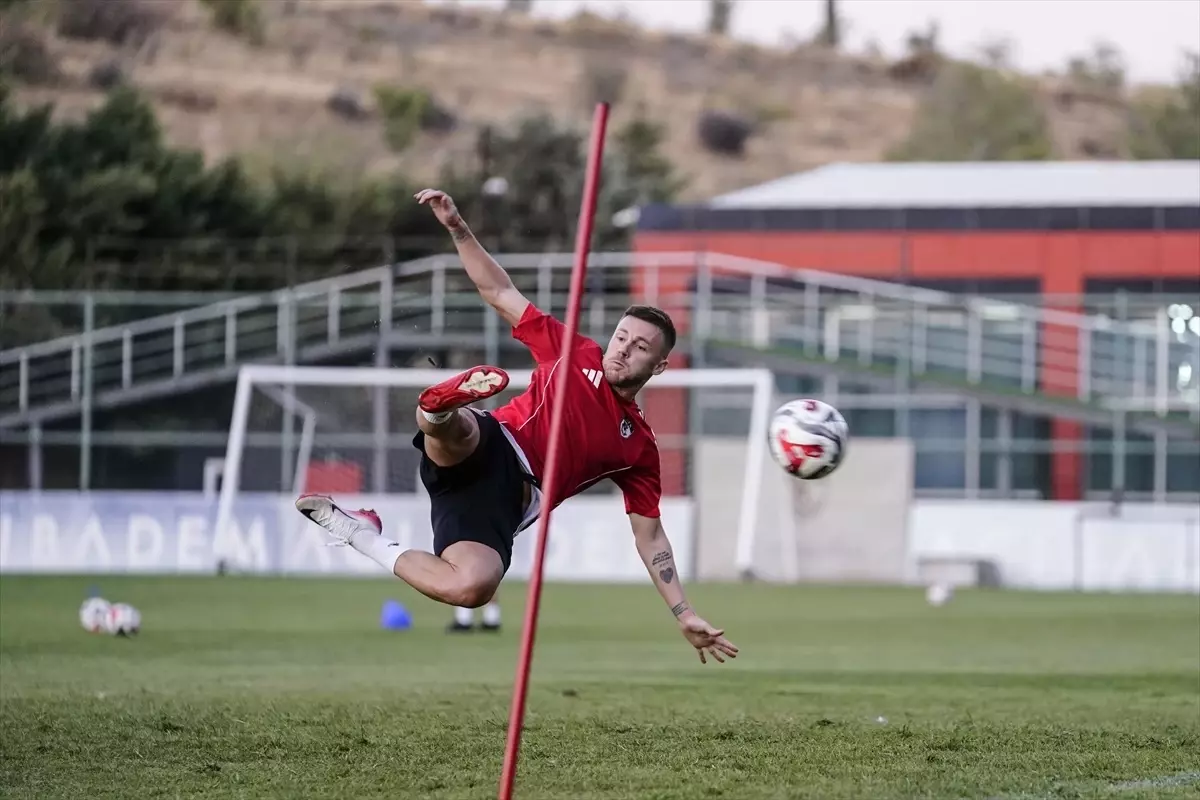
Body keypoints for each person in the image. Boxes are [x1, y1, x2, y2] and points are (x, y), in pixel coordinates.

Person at [296, 188, 738, 665]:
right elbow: (499, 292)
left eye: (640, 348)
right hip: (498, 444)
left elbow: (650, 537)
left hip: (508, 504)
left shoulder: (639, 448)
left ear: (660, 367)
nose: (624, 350)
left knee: (472, 587)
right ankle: (440, 406)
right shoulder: (575, 351)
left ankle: (359, 532)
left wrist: (683, 612)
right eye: (621, 337)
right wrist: (458, 229)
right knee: (455, 432)